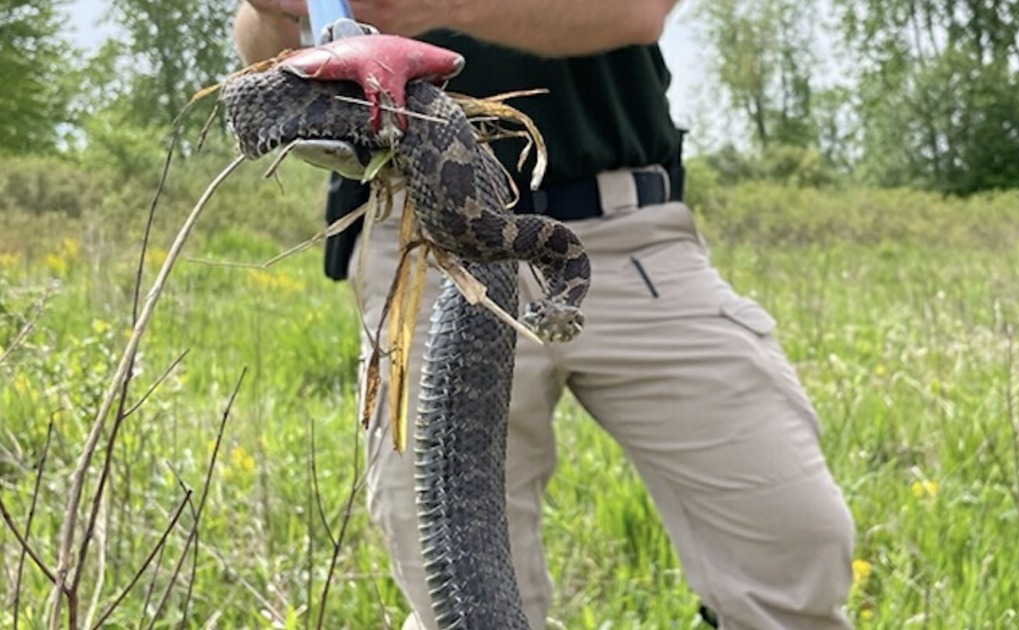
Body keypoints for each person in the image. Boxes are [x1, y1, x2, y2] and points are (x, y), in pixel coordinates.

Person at [232, 2, 856, 628]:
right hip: (422, 239)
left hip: (629, 230)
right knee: (458, 590)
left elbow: (640, 13)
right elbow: (269, 46)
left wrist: (421, 8)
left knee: (795, 539)